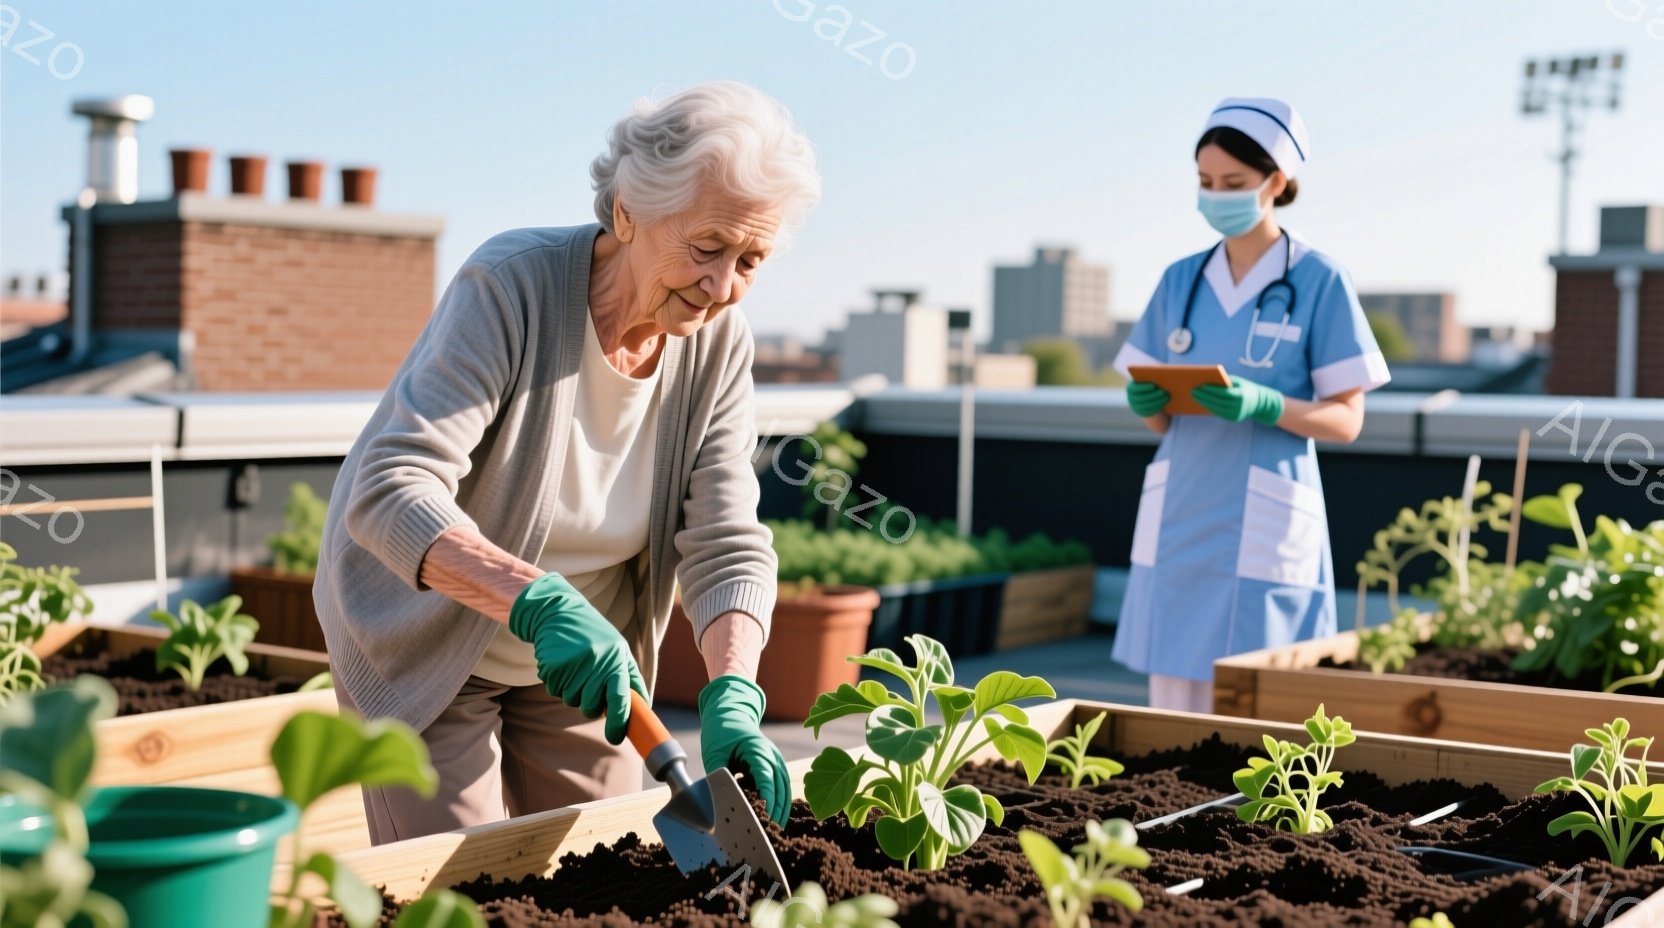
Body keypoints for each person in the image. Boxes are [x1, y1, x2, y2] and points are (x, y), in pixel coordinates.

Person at [311, 80, 821, 843]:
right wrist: (534, 601)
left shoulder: (720, 342)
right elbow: (391, 489)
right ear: (627, 213)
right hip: (429, 638)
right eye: (708, 248)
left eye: (751, 259)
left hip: (588, 662)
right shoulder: (511, 285)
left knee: (603, 862)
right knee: (460, 885)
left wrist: (735, 687)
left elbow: (724, 539)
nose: (721, 289)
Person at [1111, 97, 1391, 714]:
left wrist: (1267, 404)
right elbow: (1162, 420)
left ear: (1278, 182)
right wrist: (1146, 402)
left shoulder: (1319, 279)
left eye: (1233, 183)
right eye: (1206, 183)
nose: (1216, 196)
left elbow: (1347, 420)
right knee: (1172, 705)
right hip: (1183, 506)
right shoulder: (1179, 280)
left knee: (1262, 705)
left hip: (1265, 510)